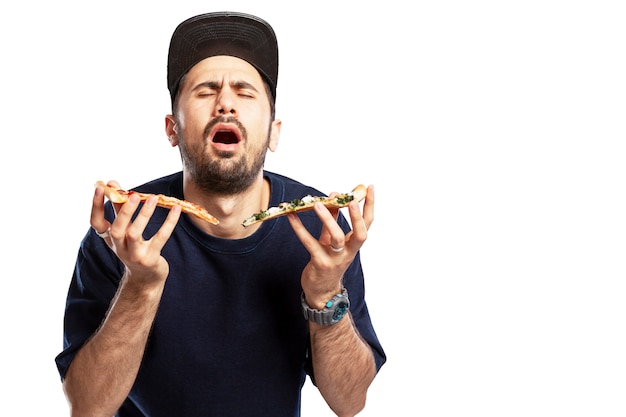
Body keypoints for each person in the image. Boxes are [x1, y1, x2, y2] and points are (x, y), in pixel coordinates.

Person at [55, 11, 386, 417]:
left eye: (245, 92)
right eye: (206, 90)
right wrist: (138, 288)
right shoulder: (123, 229)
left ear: (274, 131)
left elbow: (350, 403)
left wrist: (325, 291)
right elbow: (86, 408)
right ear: (172, 129)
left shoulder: (323, 232)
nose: (226, 103)